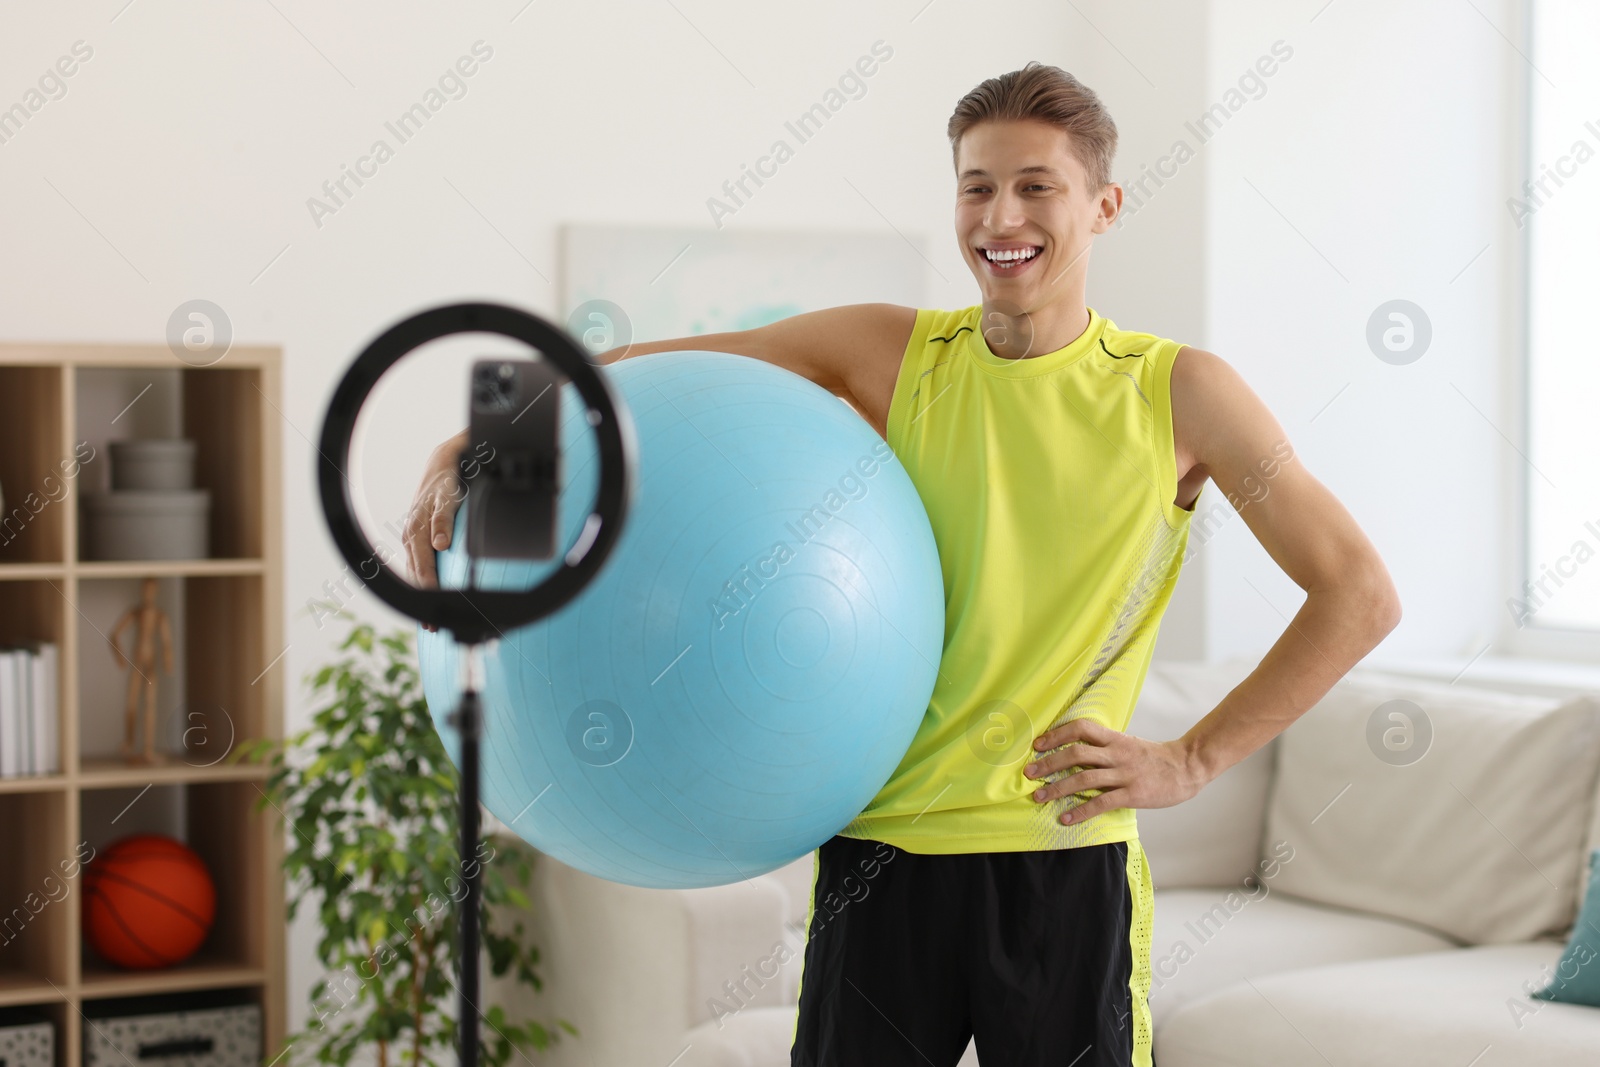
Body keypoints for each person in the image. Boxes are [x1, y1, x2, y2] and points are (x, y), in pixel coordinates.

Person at [402, 62, 1401, 1067]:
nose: (999, 214)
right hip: (880, 854)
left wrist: (1189, 759)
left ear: (1103, 205)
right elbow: (676, 371)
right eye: (975, 184)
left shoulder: (1177, 392)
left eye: (1034, 184)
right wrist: (493, 428)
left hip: (1057, 856)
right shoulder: (894, 352)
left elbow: (1357, 591)